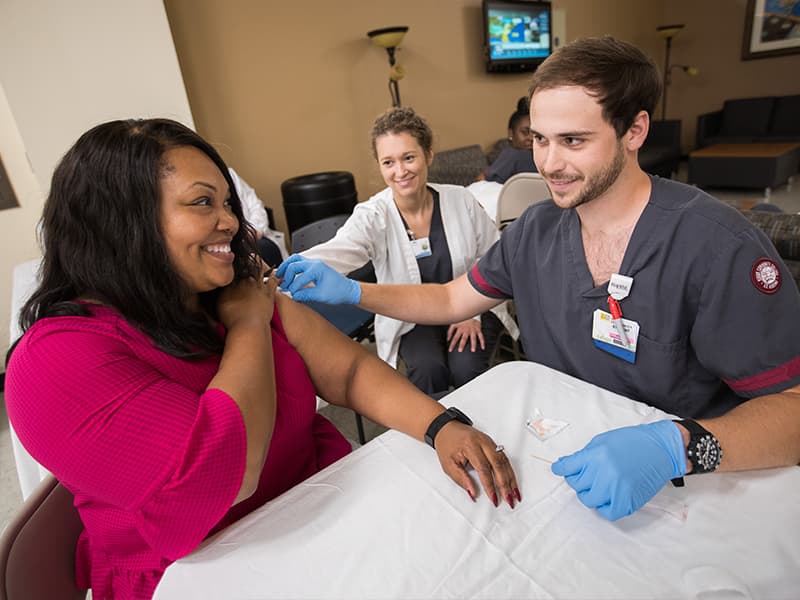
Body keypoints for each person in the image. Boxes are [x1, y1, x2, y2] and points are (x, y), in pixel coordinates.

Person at [277, 37, 800, 522]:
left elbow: (792, 413)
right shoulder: (536, 230)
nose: (550, 164)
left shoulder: (716, 247)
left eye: (573, 140)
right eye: (539, 140)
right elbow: (449, 298)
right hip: (568, 467)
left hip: (691, 486)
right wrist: (354, 291)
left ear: (635, 131)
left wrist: (674, 448)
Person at [4, 118, 520, 599]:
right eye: (203, 203)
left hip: (323, 506)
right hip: (214, 571)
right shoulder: (56, 361)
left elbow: (349, 370)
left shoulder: (224, 290)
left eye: (227, 203)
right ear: (123, 223)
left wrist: (440, 426)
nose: (231, 222)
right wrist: (248, 325)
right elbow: (229, 473)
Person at [300, 106, 518, 397]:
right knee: (428, 370)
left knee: (466, 368)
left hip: (470, 305)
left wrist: (471, 313)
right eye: (388, 162)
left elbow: (491, 257)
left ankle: (481, 435)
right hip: (412, 315)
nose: (400, 171)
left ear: (428, 155)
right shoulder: (372, 214)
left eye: (409, 157)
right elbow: (339, 251)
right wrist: (286, 273)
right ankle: (432, 434)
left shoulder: (461, 201)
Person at [228, 167, 288, 266]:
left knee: (268, 250)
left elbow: (256, 206)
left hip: (257, 237)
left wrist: (254, 230)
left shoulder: (231, 175)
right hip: (235, 244)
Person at [482, 96, 538, 184]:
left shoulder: (537, 155)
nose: (531, 138)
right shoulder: (515, 155)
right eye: (525, 132)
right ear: (511, 133)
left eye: (535, 133)